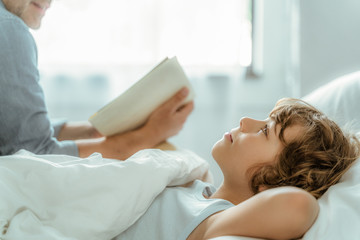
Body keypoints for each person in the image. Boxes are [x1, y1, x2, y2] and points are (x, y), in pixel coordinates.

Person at [116, 98, 360, 240]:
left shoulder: (214, 221)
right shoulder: (195, 187)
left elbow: (298, 205)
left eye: (265, 131)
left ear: (274, 180)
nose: (246, 121)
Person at [0, 0, 193, 159]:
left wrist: (93, 131)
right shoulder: (8, 27)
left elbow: (14, 133)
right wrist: (150, 135)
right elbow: (33, 158)